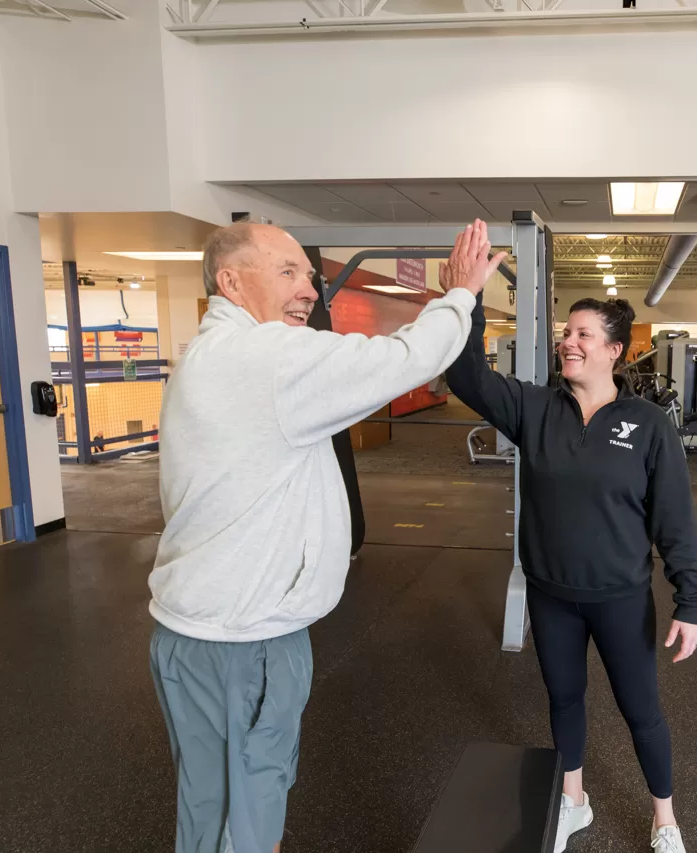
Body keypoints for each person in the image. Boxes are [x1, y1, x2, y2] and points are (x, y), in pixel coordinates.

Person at [147, 220, 495, 853]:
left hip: (222, 630)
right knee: (240, 821)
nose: (308, 289)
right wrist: (461, 294)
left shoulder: (219, 352)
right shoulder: (265, 358)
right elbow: (407, 358)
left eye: (307, 275)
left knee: (228, 805)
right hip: (238, 641)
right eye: (287, 273)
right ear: (231, 281)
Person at [443, 222, 697, 853]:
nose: (569, 342)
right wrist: (468, 296)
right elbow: (467, 376)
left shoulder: (646, 425)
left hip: (619, 596)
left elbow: (675, 516)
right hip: (551, 594)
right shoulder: (535, 409)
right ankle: (574, 801)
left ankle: (664, 818)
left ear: (615, 350)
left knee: (641, 712)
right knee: (564, 701)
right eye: (567, 332)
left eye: (583, 334)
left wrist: (690, 601)